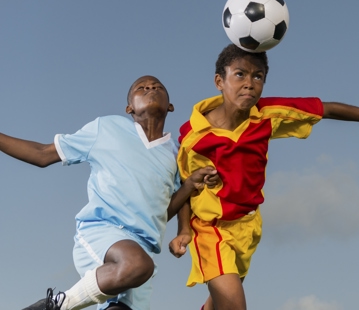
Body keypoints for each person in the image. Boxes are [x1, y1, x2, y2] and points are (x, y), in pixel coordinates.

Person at [169, 44, 359, 310]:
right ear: (219, 81)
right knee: (234, 304)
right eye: (240, 74)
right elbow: (185, 185)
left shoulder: (267, 115)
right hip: (210, 228)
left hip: (248, 226)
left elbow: (327, 109)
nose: (249, 83)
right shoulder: (193, 135)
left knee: (220, 303)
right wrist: (184, 230)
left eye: (258, 77)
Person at [0, 75, 218, 310]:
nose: (150, 89)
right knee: (136, 264)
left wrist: (185, 214)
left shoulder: (176, 153)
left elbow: (162, 212)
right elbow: (42, 154)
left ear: (170, 106)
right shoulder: (106, 128)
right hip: (102, 233)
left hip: (143, 252)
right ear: (129, 108)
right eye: (141, 88)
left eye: (157, 87)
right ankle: (55, 305)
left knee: (128, 289)